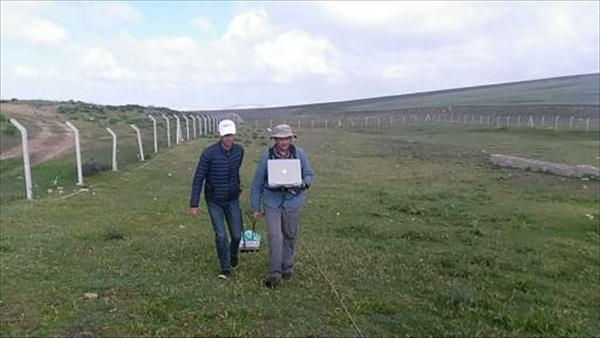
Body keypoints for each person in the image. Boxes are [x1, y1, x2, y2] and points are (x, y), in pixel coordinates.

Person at [251, 124, 314, 288]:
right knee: (274, 236)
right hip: (272, 201)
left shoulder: (300, 154)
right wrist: (255, 207)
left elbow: (309, 174)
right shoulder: (267, 156)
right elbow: (257, 182)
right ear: (275, 140)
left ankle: (287, 267)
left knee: (290, 234)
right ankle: (274, 273)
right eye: (280, 139)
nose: (284, 142)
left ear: (291, 139)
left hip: (293, 200)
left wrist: (303, 183)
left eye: (287, 138)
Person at [190, 119, 244, 279]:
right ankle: (225, 267)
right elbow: (198, 178)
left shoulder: (239, 151)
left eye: (231, 135)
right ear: (220, 136)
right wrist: (194, 204)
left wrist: (237, 186)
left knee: (236, 235)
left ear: (234, 135)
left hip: (232, 199)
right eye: (225, 135)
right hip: (214, 201)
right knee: (221, 235)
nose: (228, 139)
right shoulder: (209, 153)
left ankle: (233, 254)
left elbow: (235, 171)